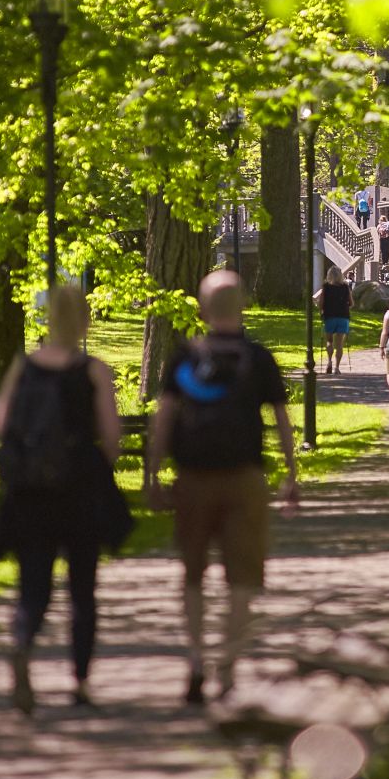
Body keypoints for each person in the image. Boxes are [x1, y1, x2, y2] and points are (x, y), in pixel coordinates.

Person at [145, 271, 301, 704]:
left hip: (193, 480)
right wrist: (290, 474)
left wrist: (152, 475)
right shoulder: (258, 358)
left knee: (192, 575)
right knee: (243, 579)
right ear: (244, 305)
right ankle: (227, 667)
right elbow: (282, 422)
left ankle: (196, 659)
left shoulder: (184, 359)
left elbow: (164, 420)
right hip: (245, 480)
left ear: (202, 308)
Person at [0, 285, 126, 713]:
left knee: (34, 585)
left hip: (31, 493)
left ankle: (22, 642)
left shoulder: (22, 368)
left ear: (48, 319)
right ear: (84, 321)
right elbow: (112, 438)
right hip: (80, 491)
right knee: (82, 590)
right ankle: (81, 683)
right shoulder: (92, 371)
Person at [314, 265, 352, 374]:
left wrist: (321, 311)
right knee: (339, 344)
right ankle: (337, 367)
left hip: (329, 316)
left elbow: (321, 304)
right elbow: (351, 303)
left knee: (329, 341)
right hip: (343, 317)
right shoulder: (345, 287)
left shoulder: (326, 287)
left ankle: (329, 361)